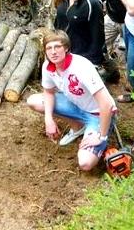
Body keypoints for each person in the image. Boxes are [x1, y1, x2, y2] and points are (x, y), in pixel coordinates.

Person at [26, 30, 117, 171]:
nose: (53, 52)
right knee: (34, 101)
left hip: (98, 114)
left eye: (57, 47)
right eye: (49, 48)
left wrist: (101, 137)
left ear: (66, 48)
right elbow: (49, 92)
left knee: (85, 163)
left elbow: (106, 104)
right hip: (76, 105)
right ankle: (78, 127)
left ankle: (98, 133)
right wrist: (48, 119)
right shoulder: (48, 67)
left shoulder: (81, 67)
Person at [54, 0, 105, 66]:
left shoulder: (92, 3)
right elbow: (58, 26)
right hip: (63, 54)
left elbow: (98, 37)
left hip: (82, 58)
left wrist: (92, 63)